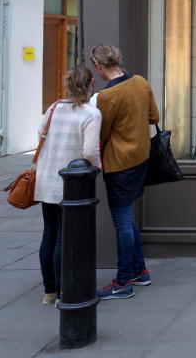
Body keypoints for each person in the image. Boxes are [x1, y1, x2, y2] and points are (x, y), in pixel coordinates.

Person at [91, 44, 159, 300]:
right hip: (142, 157)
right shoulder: (140, 82)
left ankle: (123, 282)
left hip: (119, 163)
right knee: (127, 218)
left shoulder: (107, 97)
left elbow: (102, 133)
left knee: (121, 222)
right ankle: (140, 271)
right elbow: (154, 117)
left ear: (98, 66)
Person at [34, 66, 101, 305]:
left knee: (49, 234)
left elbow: (40, 132)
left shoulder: (54, 108)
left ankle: (49, 290)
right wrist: (97, 169)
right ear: (91, 83)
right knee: (64, 236)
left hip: (46, 177)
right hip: (70, 184)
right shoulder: (90, 114)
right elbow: (90, 151)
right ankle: (64, 290)